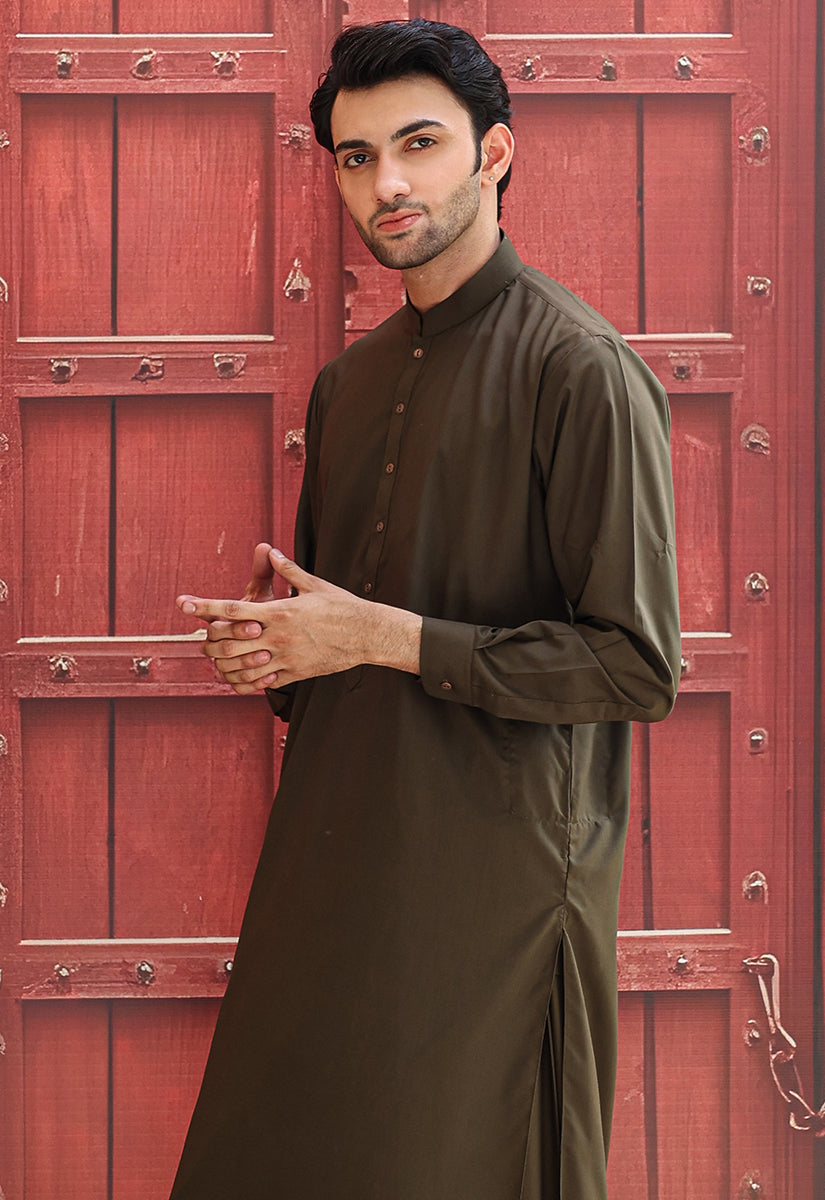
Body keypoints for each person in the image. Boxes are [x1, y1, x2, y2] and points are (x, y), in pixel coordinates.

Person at [169, 18, 680, 1200]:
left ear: (492, 153)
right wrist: (276, 655)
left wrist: (382, 636)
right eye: (355, 158)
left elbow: (632, 667)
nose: (385, 184)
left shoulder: (579, 368)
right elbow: (339, 642)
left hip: (496, 893)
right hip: (335, 867)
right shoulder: (347, 387)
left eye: (417, 144)